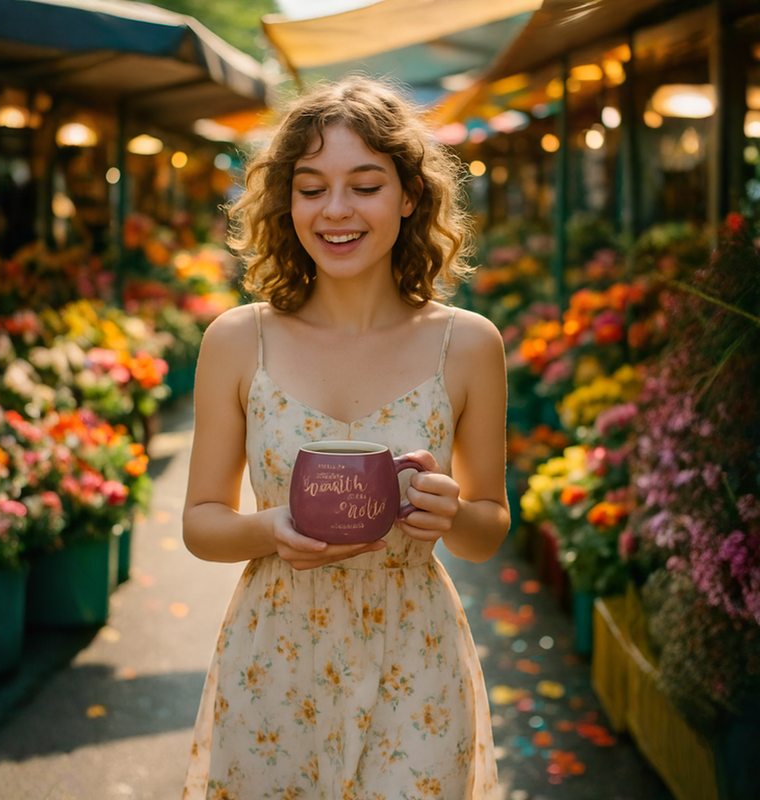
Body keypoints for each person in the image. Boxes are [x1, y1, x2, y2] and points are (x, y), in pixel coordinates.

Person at [182, 76, 509, 800]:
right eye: (311, 188)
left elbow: (489, 528)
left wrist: (453, 513)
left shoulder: (468, 345)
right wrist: (271, 529)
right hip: (273, 656)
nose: (335, 210)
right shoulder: (237, 340)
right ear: (287, 200)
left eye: (365, 186)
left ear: (410, 195)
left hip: (416, 655)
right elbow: (201, 523)